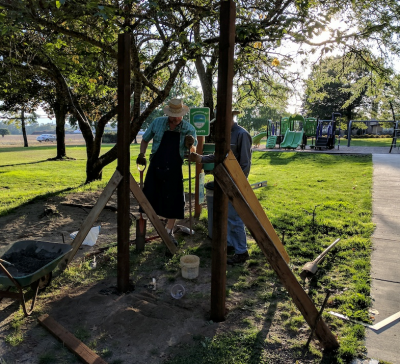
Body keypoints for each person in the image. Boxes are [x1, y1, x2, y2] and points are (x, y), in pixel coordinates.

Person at [189, 110, 252, 264]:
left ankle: (241, 251)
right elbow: (219, 156)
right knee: (227, 216)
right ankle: (230, 245)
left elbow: (245, 164)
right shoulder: (224, 135)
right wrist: (200, 158)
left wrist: (236, 183)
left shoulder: (241, 134)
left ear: (231, 117)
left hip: (234, 183)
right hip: (223, 182)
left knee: (235, 218)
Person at [136, 98, 197, 245]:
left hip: (175, 169)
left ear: (182, 114)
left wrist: (190, 146)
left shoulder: (189, 129)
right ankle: (147, 230)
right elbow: (144, 140)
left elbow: (192, 154)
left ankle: (168, 232)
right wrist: (142, 154)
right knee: (149, 198)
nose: (175, 118)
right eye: (173, 115)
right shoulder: (158, 123)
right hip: (156, 166)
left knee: (175, 202)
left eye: (178, 115)